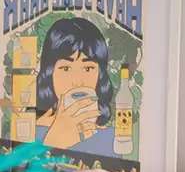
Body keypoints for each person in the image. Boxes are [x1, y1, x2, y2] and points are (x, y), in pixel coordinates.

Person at [33, 16, 120, 157]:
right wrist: (52, 142)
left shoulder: (112, 138)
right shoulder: (28, 132)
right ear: (50, 73)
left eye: (88, 69)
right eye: (66, 68)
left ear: (100, 75)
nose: (77, 81)